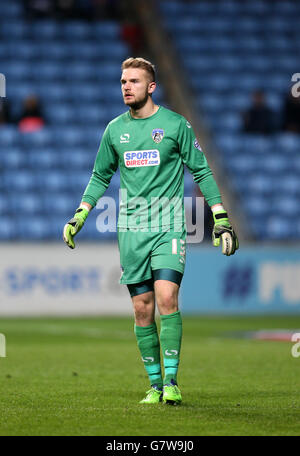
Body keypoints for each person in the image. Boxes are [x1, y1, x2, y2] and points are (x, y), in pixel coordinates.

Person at [63, 57, 238, 405]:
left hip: (169, 226)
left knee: (166, 298)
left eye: (134, 81)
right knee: (143, 309)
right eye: (123, 81)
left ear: (151, 86)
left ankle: (172, 382)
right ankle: (154, 385)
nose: (126, 86)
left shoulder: (175, 125)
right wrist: (80, 215)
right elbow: (100, 176)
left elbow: (201, 171)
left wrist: (220, 218)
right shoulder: (114, 130)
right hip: (131, 230)